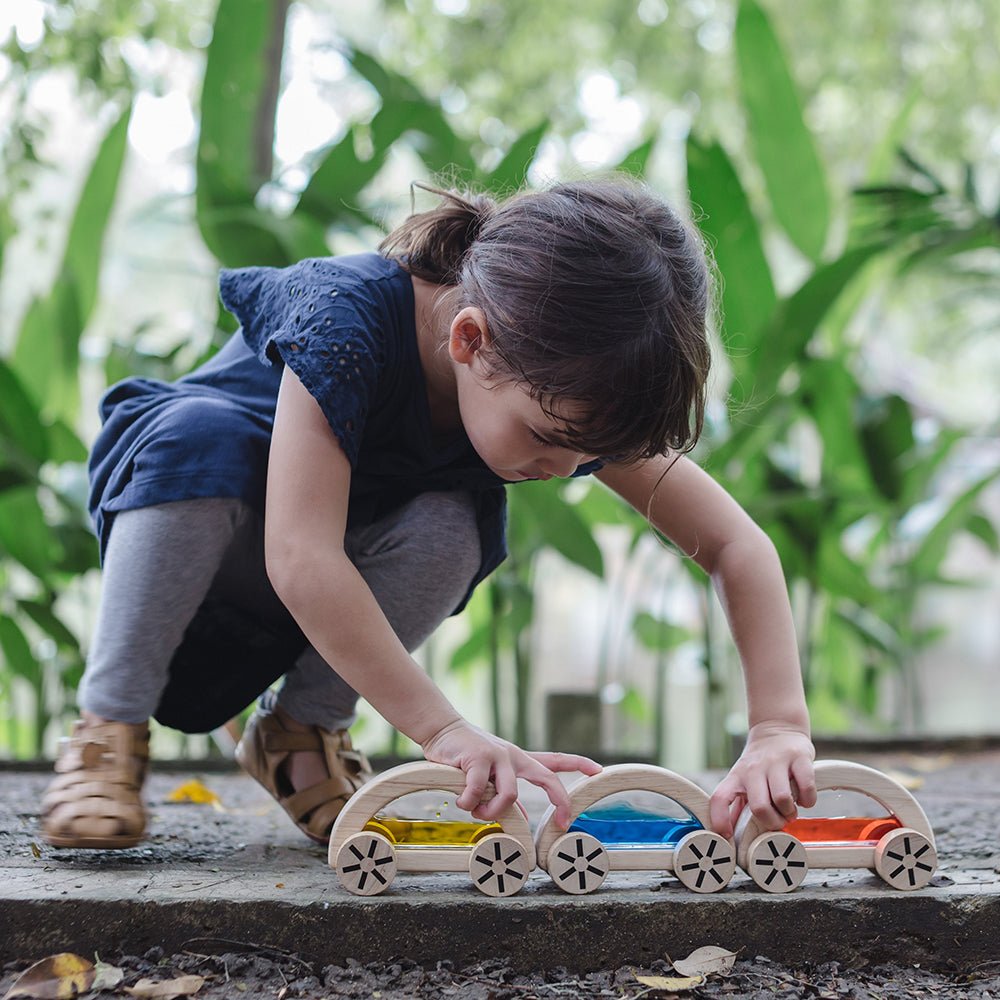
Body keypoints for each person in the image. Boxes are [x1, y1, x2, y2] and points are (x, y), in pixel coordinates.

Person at [41, 179, 816, 851]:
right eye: (549, 442)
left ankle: (302, 732)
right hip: (197, 535)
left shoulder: (561, 388)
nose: (560, 472)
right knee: (197, 439)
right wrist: (445, 731)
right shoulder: (344, 321)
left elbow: (731, 541)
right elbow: (301, 556)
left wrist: (779, 725)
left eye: (585, 458)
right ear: (470, 339)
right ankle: (106, 734)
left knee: (455, 520)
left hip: (320, 591)